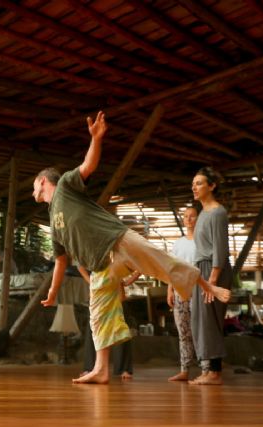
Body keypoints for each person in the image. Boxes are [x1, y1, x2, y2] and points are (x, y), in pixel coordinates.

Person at [34, 111, 231, 384]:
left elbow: (88, 166)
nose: (33, 191)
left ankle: (208, 286)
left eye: (35, 186)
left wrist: (96, 139)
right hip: (100, 264)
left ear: (43, 181)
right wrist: (54, 291)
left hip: (118, 240)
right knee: (98, 315)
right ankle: (101, 370)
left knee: (160, 261)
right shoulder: (53, 223)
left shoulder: (66, 185)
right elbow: (60, 261)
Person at [189, 167, 232, 385]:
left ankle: (215, 373)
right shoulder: (203, 213)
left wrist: (212, 281)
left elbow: (220, 249)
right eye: (193, 183)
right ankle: (208, 370)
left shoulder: (217, 212)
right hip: (201, 271)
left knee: (210, 319)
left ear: (212, 186)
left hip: (213, 271)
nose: (194, 187)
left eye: (199, 183)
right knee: (200, 319)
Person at [167, 207, 207, 381]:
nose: (189, 219)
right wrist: (170, 290)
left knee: (201, 330)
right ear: (183, 220)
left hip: (198, 291)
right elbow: (171, 268)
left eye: (192, 216)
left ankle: (206, 369)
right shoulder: (178, 243)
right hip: (179, 291)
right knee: (183, 331)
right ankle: (184, 370)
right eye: (186, 216)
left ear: (198, 219)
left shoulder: (202, 242)